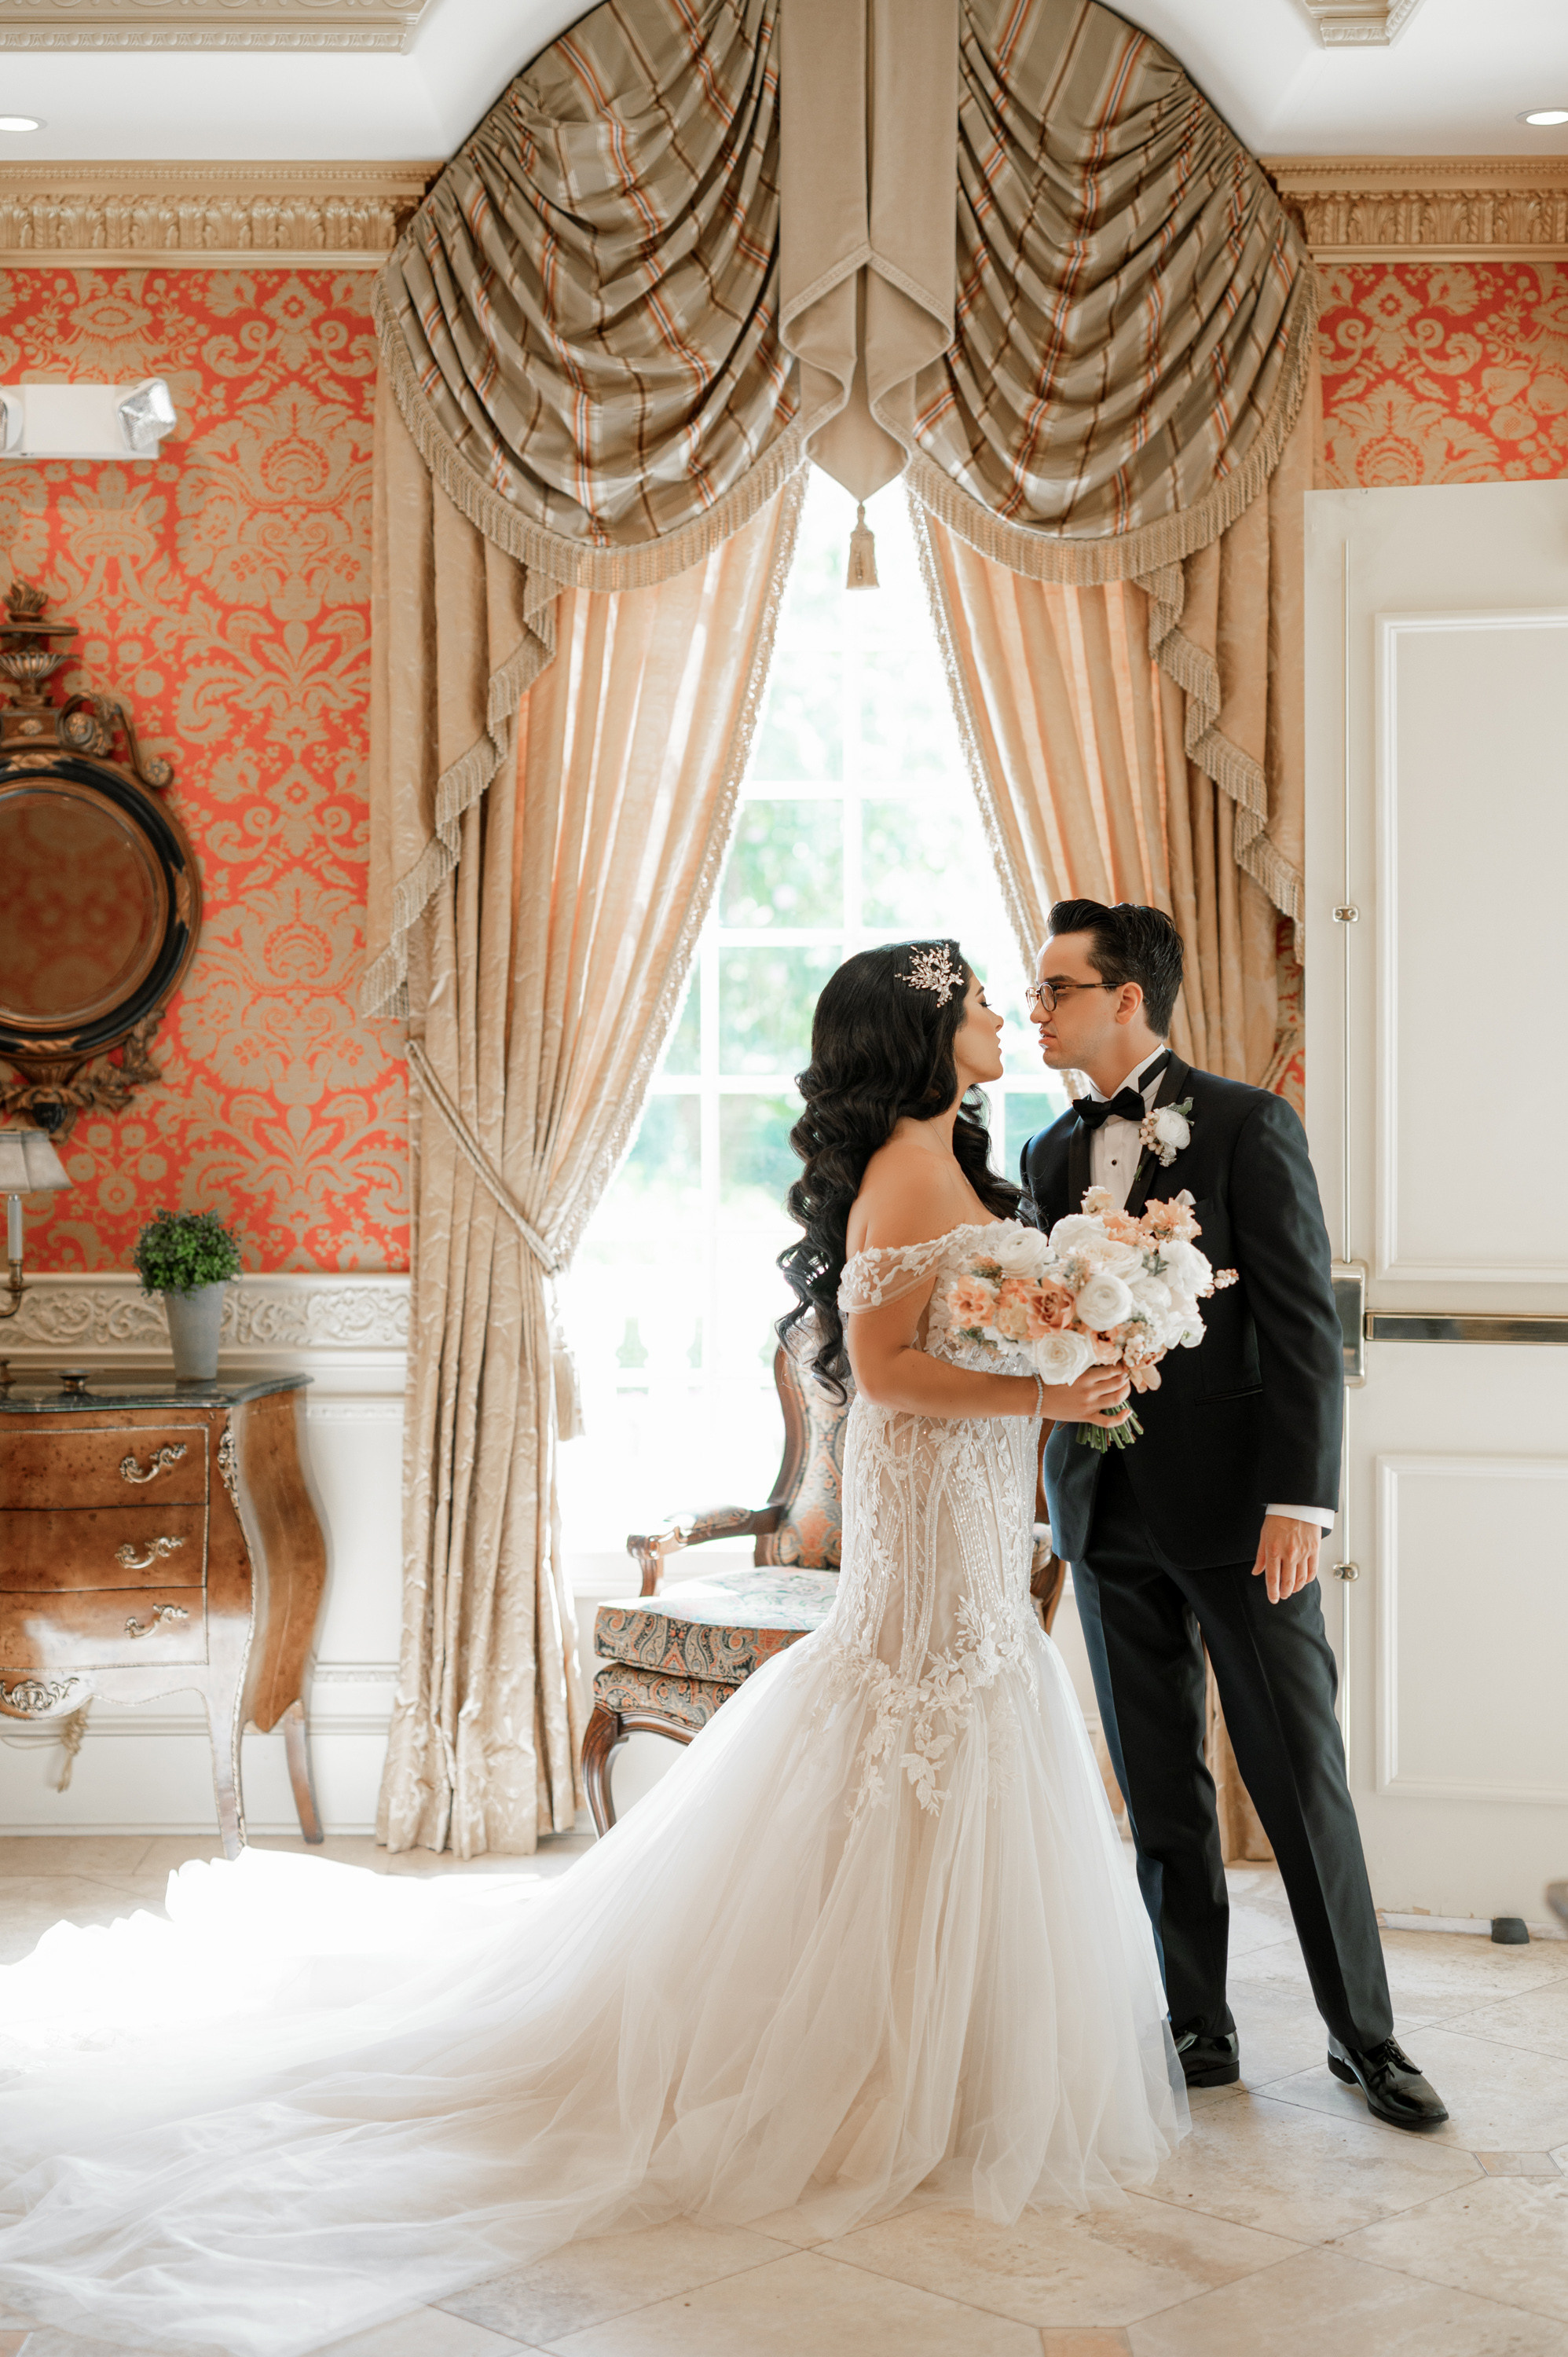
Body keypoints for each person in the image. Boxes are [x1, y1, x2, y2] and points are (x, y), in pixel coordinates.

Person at [0, 939, 1185, 2357]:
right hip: (929, 1551)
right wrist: (1048, 1396)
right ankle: (863, 2073)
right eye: (981, 1001)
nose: (1001, 1016)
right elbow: (884, 1377)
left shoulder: (964, 1168)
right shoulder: (903, 1177)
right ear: (921, 1035)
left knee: (972, 1757)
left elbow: (963, 1345)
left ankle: (957, 2065)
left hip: (978, 1539)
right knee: (906, 1750)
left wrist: (1074, 1347)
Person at [1018, 897, 1446, 2132]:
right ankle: (1197, 2026)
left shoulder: (1251, 1125)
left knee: (1299, 1778)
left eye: (1055, 989)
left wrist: (1302, 1500)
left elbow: (1308, 1327)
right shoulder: (1046, 1154)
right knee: (1158, 1786)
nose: (1036, 1010)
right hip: (1103, 1509)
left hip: (1245, 1516)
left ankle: (1365, 2036)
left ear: (1126, 999)